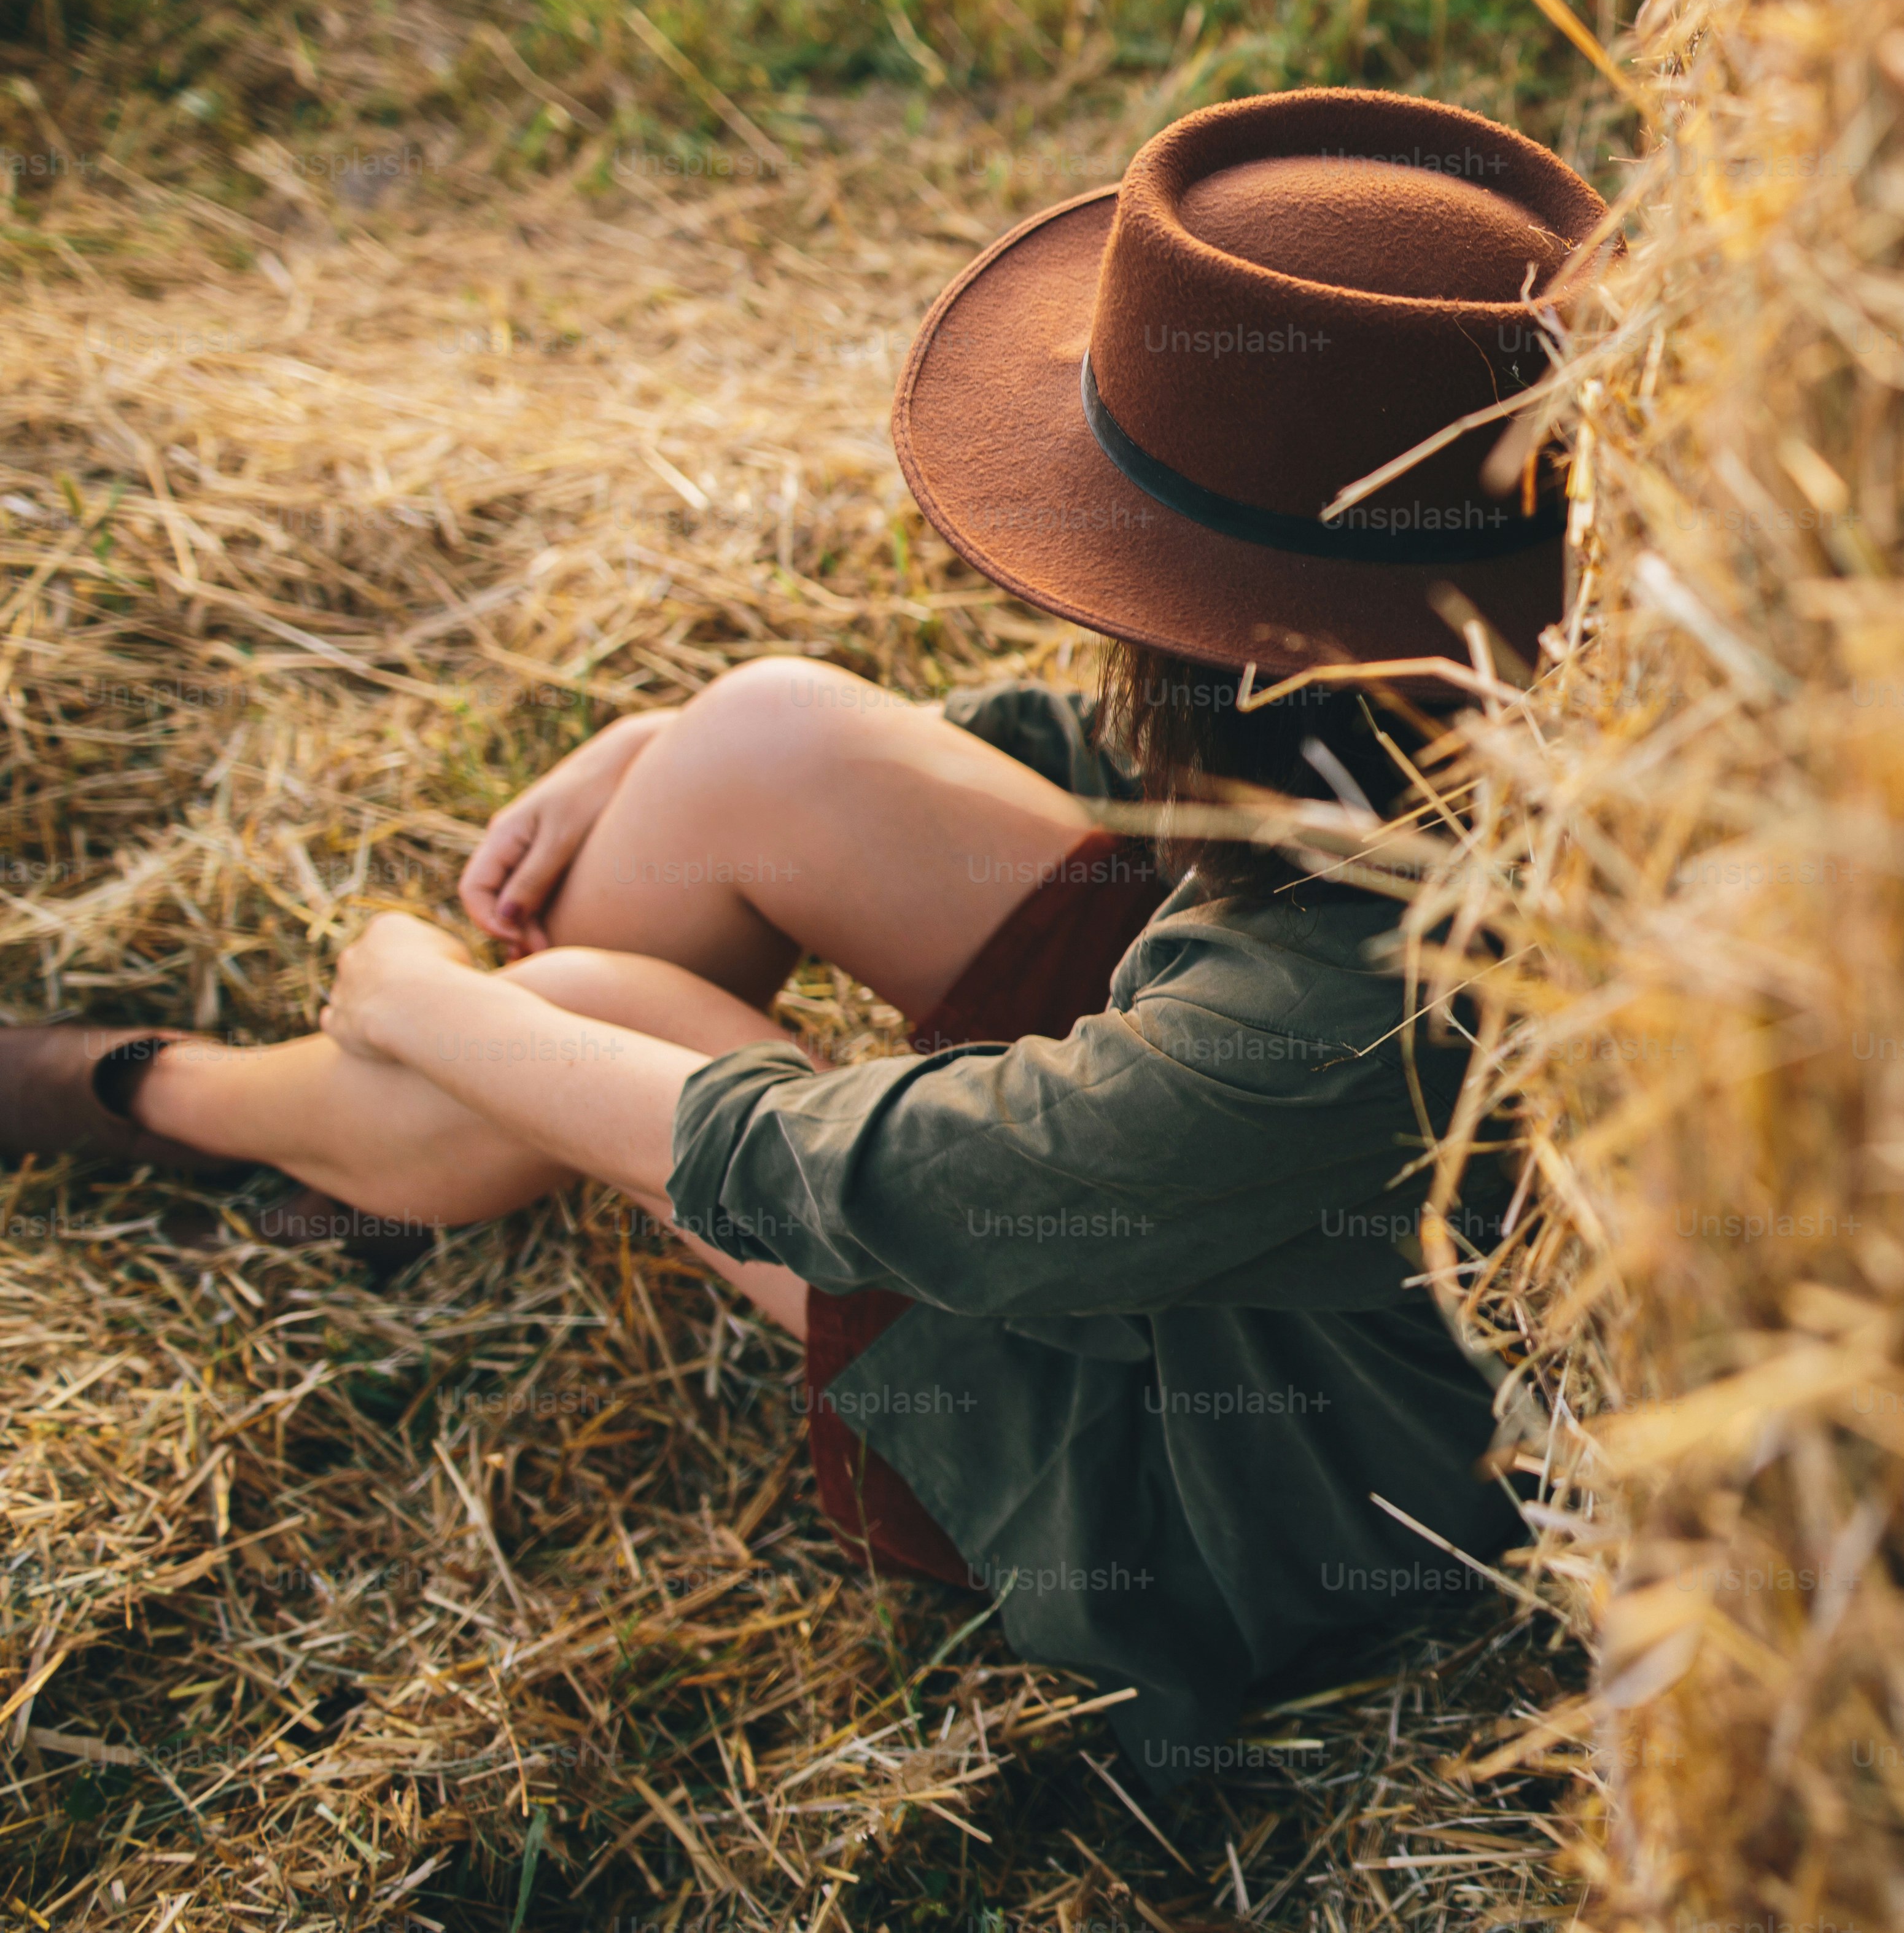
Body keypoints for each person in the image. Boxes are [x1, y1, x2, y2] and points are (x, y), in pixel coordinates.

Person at [0, 87, 1607, 1787]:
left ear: (1253, 649)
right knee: (764, 737)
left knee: (586, 1001)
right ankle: (414, 1146)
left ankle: (182, 1098)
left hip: (1181, 1467)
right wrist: (662, 744)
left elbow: (885, 1187)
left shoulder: (1347, 1016)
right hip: (1212, 1159)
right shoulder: (1493, 712)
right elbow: (1169, 786)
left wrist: (431, 1004)